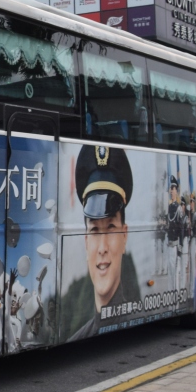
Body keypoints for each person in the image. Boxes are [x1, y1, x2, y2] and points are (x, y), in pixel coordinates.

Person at [68, 145, 140, 341]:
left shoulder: (139, 327)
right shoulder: (76, 340)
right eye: (94, 230)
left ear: (124, 236)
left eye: (111, 227)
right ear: (86, 242)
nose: (102, 248)